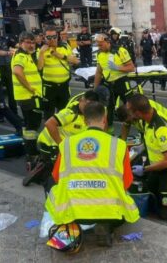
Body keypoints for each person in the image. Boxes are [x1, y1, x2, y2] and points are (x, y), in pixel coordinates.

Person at [45, 101, 139, 247]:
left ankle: (70, 227)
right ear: (105, 119)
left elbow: (57, 177)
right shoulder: (119, 145)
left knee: (52, 187)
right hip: (108, 212)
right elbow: (126, 182)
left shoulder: (67, 144)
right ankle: (105, 226)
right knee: (125, 197)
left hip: (74, 211)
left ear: (84, 120)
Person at [12, 31, 43, 164]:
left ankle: (30, 151)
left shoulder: (27, 55)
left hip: (29, 97)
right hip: (29, 97)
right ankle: (32, 154)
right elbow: (17, 72)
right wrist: (30, 88)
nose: (31, 45)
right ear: (21, 43)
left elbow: (38, 68)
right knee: (32, 126)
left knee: (29, 126)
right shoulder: (21, 56)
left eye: (33, 42)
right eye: (28, 42)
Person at [93, 33, 135, 132]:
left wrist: (118, 68)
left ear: (108, 42)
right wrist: (95, 89)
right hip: (109, 84)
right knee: (109, 109)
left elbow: (131, 67)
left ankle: (140, 130)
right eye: (98, 45)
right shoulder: (99, 54)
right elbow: (99, 72)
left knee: (131, 107)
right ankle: (109, 132)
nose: (99, 47)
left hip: (122, 82)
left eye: (101, 45)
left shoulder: (120, 51)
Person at [37, 26, 79, 120]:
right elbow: (39, 67)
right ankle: (49, 132)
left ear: (57, 36)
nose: (52, 39)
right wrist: (41, 53)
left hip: (64, 86)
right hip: (49, 87)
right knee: (48, 112)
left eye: (54, 36)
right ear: (44, 37)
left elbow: (75, 61)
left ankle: (61, 132)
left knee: (63, 112)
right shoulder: (41, 50)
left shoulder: (64, 46)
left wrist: (58, 55)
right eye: (49, 37)